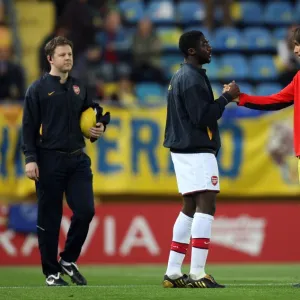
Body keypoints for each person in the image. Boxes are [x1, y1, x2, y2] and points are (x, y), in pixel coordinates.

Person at [22, 36, 108, 286]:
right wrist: (30, 159)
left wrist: (100, 126)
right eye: (62, 54)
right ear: (50, 59)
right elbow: (28, 128)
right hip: (49, 161)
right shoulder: (37, 89)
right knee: (49, 218)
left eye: (70, 53)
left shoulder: (79, 86)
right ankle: (51, 273)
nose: (68, 58)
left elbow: (96, 112)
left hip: (78, 159)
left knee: (85, 211)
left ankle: (68, 259)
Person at [162, 30, 240, 288]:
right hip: (196, 149)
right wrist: (227, 97)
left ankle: (173, 272)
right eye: (204, 44)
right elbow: (203, 117)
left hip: (181, 149)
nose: (210, 47)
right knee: (206, 204)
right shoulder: (192, 78)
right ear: (192, 51)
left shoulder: (179, 76)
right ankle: (197, 273)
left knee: (189, 206)